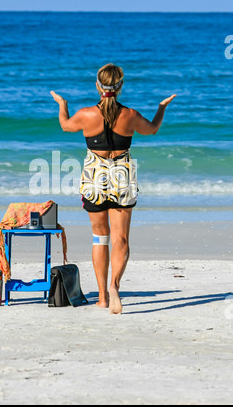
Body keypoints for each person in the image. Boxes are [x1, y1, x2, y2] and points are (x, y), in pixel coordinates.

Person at [51, 63, 176, 314]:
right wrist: (161, 108)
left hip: (95, 177)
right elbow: (152, 129)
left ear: (98, 85)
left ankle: (102, 297)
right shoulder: (130, 115)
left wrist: (62, 105)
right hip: (122, 176)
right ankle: (115, 286)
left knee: (101, 239)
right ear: (120, 87)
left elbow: (65, 125)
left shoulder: (86, 114)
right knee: (121, 239)